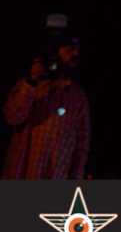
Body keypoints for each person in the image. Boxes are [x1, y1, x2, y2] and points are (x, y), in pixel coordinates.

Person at [2, 28, 91, 180]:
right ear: (54, 52)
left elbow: (82, 146)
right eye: (70, 50)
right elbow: (12, 117)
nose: (76, 54)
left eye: (77, 50)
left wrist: (75, 178)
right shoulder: (29, 86)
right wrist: (31, 83)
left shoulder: (78, 97)